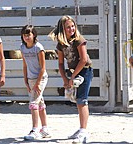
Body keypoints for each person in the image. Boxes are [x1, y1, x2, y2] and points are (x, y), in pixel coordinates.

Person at [49, 15, 93, 143]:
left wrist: (72, 77)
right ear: (62, 29)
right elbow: (61, 63)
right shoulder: (61, 44)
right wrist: (65, 78)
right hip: (72, 72)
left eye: (72, 26)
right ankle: (81, 128)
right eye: (68, 27)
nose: (71, 29)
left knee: (82, 100)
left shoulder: (79, 40)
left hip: (85, 71)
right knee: (76, 100)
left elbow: (84, 60)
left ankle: (84, 131)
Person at [20, 25, 51, 140]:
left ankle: (35, 129)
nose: (27, 37)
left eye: (29, 34)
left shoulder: (38, 48)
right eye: (25, 35)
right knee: (40, 103)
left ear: (34, 35)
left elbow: (43, 68)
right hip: (31, 78)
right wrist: (26, 80)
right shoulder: (22, 48)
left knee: (33, 103)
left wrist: (38, 83)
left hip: (41, 78)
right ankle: (45, 129)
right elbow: (24, 65)